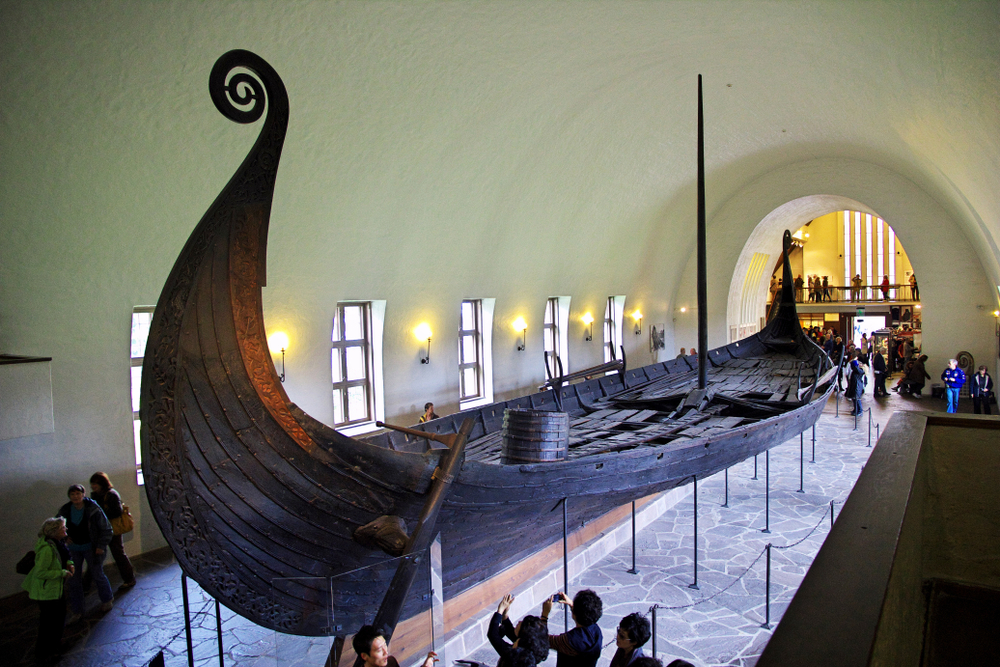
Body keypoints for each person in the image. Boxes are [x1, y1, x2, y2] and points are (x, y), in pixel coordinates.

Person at [57, 484, 114, 623]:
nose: (75, 497)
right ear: (69, 496)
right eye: (72, 494)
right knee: (74, 578)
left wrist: (100, 546)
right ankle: (77, 610)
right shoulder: (65, 510)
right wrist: (65, 538)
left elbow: (106, 528)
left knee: (97, 574)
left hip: (91, 547)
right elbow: (57, 527)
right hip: (74, 548)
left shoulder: (92, 509)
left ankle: (107, 599)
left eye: (78, 494)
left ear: (83, 494)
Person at [22, 517, 74, 664]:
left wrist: (70, 564)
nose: (66, 530)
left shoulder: (58, 544)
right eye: (63, 528)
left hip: (54, 590)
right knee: (48, 624)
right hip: (46, 592)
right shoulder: (46, 550)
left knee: (57, 620)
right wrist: (62, 573)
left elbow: (66, 556)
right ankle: (44, 652)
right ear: (54, 532)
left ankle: (55, 645)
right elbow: (41, 572)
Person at [90, 472, 136, 590]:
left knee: (118, 554)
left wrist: (100, 515)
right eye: (92, 483)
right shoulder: (95, 495)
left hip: (111, 528)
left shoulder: (111, 494)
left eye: (95, 483)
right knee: (96, 555)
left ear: (102, 483)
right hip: (101, 528)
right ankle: (86, 584)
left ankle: (129, 579)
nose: (93, 486)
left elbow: (117, 512)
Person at [541, 589, 603, 667]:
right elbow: (584, 616)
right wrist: (572, 605)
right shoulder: (596, 631)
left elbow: (544, 640)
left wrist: (544, 615)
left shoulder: (570, 641)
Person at [489, 593, 549, 667]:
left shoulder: (515, 655)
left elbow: (493, 635)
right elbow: (510, 631)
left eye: (522, 623)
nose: (519, 622)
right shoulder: (528, 645)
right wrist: (505, 614)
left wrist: (499, 611)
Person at [352, 625, 437, 667]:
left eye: (385, 645)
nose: (386, 652)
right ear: (364, 656)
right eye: (379, 650)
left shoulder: (391, 662)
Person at [844, 351, 866, 416]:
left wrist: (855, 361)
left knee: (857, 399)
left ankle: (859, 411)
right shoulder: (857, 370)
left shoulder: (860, 371)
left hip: (857, 386)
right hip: (854, 385)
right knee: (854, 399)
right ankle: (855, 410)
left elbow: (854, 367)